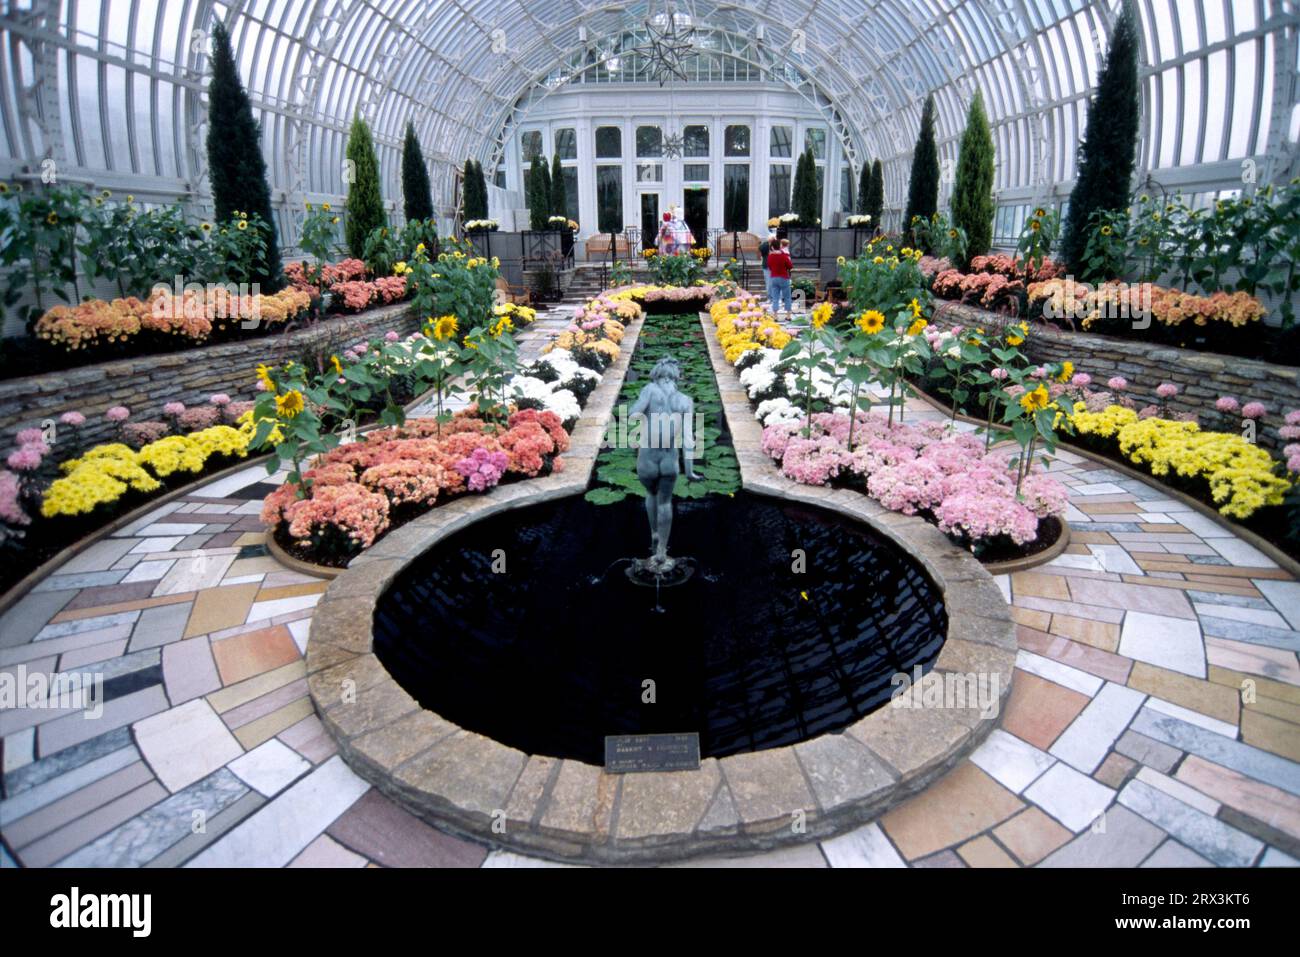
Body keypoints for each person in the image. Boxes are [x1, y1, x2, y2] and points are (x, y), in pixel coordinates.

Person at [630, 357, 702, 568]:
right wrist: (690, 472)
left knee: (651, 494)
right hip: (670, 459)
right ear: (675, 376)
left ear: (656, 374)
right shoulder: (685, 400)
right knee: (665, 502)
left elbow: (634, 414)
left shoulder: (650, 390)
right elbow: (688, 441)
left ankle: (653, 532)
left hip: (647, 456)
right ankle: (662, 547)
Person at [767, 238, 793, 317]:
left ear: (772, 247)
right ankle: (788, 316)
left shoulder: (770, 257)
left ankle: (775, 315)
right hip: (784, 277)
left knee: (775, 298)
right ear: (780, 246)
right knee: (787, 297)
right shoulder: (784, 256)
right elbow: (790, 266)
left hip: (774, 277)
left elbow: (769, 267)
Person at [759, 232, 777, 306]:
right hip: (767, 266)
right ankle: (770, 298)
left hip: (775, 266)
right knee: (769, 283)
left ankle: (775, 298)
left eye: (773, 239)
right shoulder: (765, 245)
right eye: (771, 239)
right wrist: (768, 243)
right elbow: (761, 248)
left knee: (775, 283)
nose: (772, 240)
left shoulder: (776, 245)